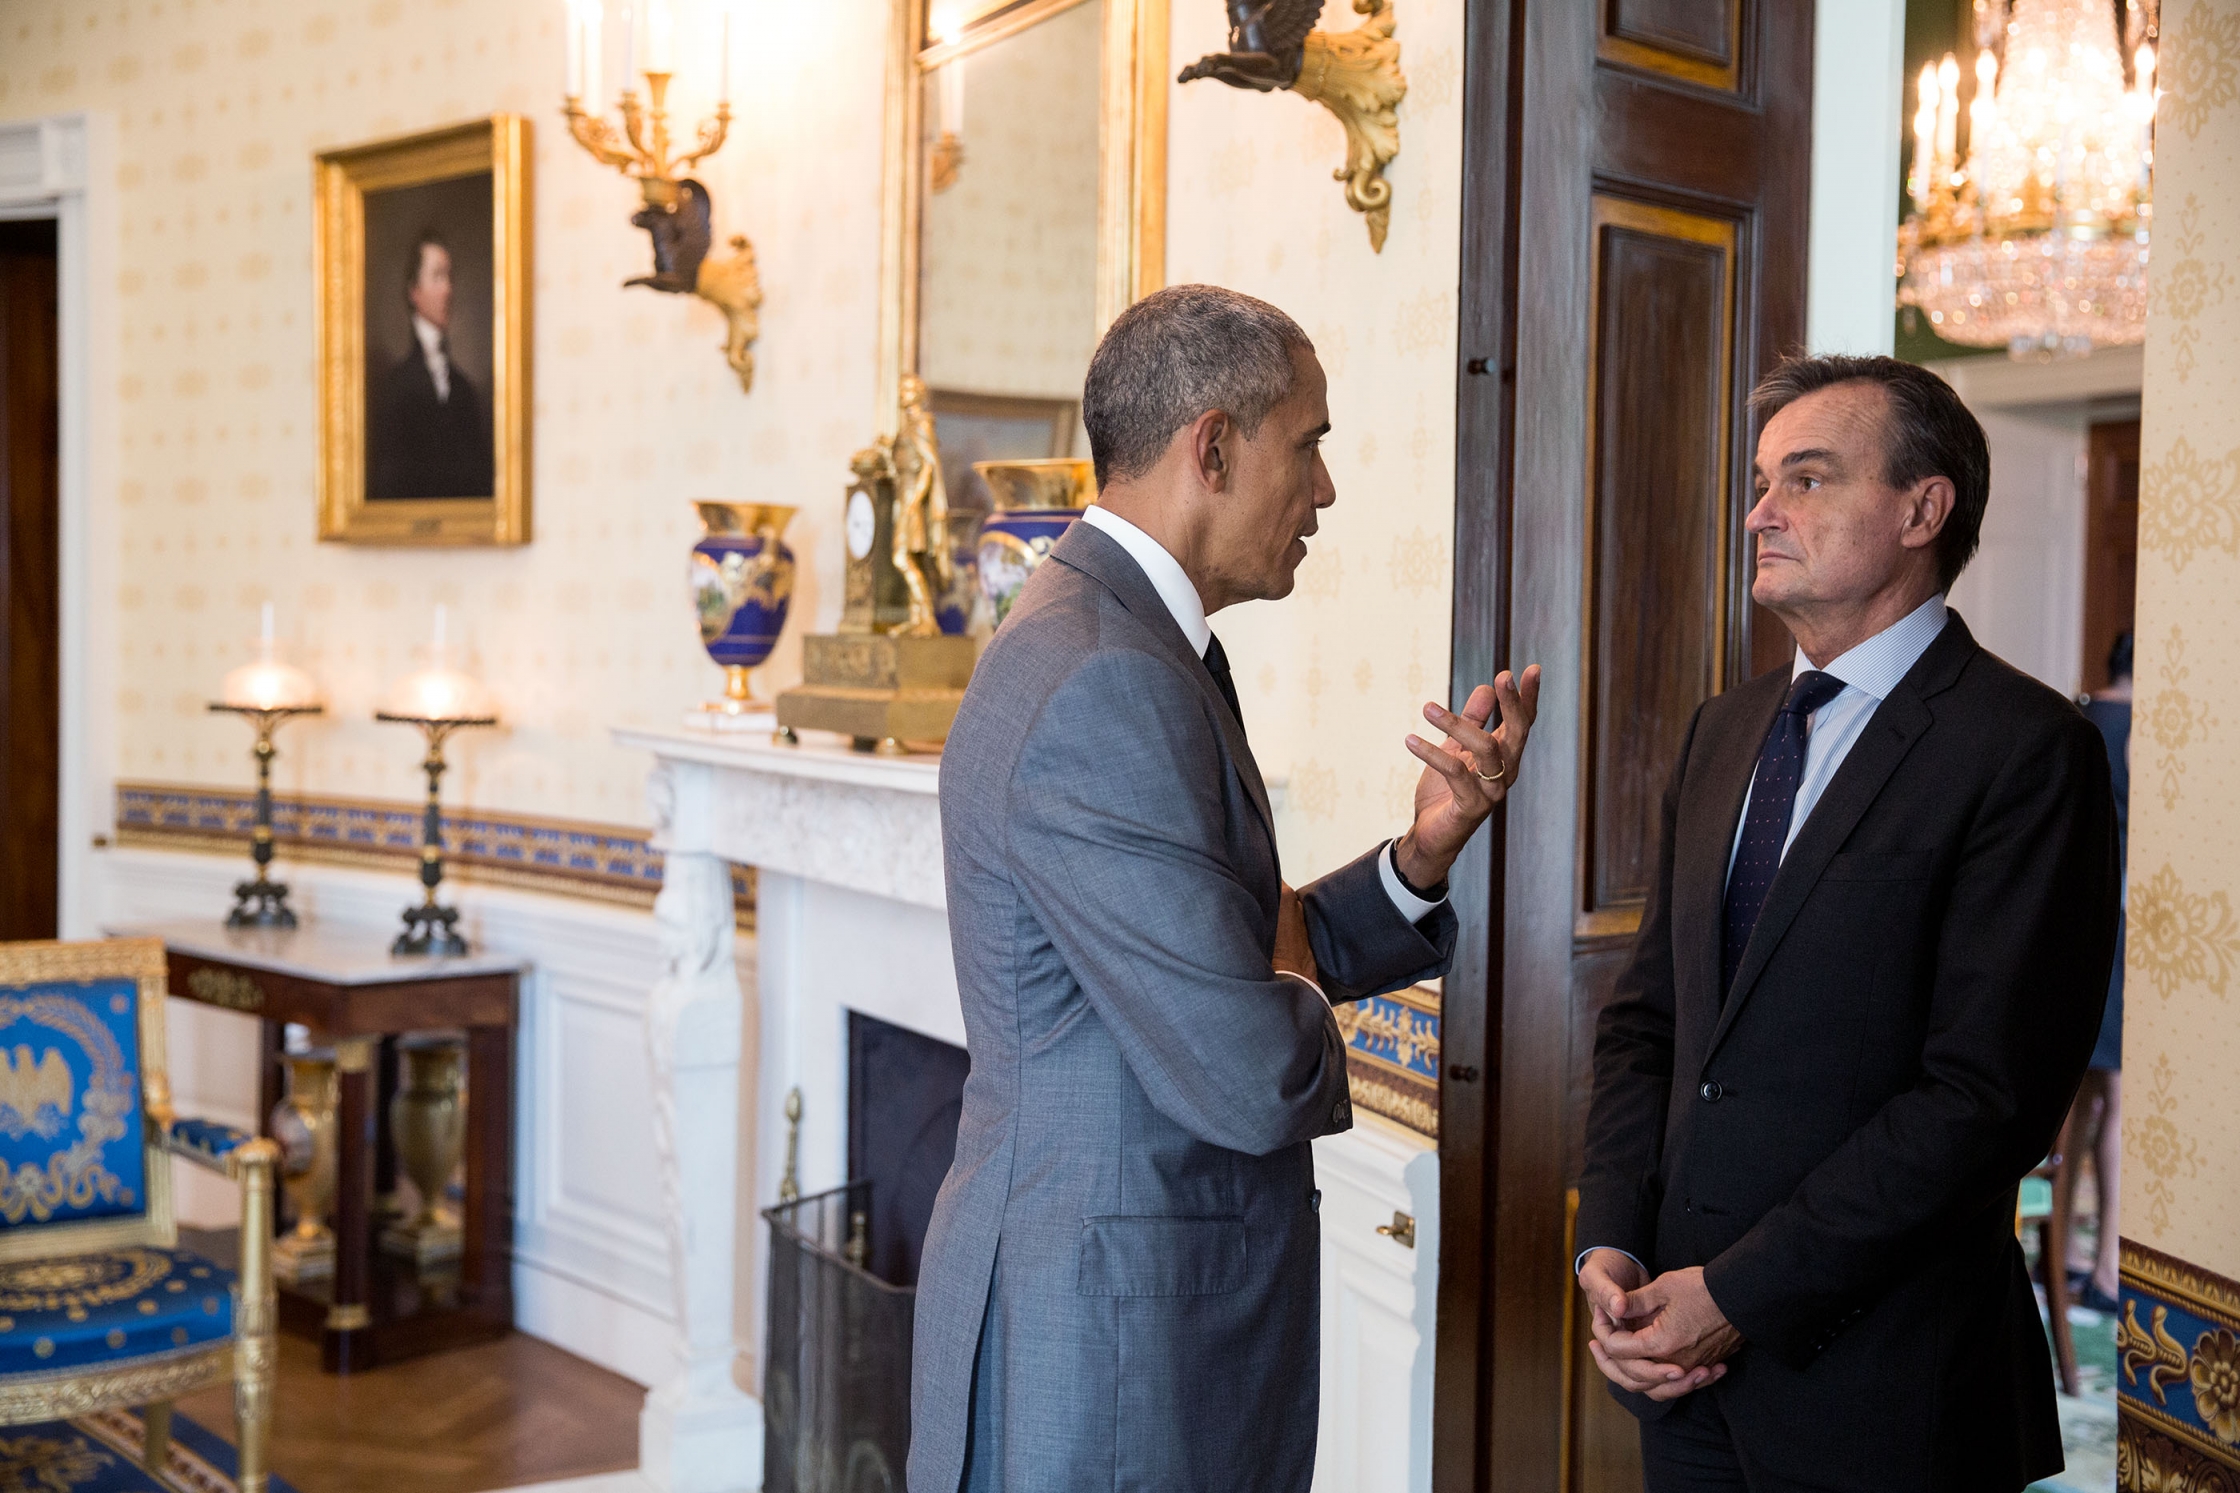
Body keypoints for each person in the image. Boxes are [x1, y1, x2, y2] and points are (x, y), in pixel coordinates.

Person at [908, 284, 1541, 1493]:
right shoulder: (1104, 674)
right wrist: (1277, 980)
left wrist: (1421, 860)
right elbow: (1250, 1071)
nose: (1324, 489)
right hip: (1111, 1342)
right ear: (1212, 445)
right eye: (1307, 444)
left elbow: (1227, 945)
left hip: (1111, 1300)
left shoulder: (1128, 640)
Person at [1573, 354, 2120, 1491]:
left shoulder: (2023, 750)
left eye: (1807, 480)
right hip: (1678, 1372)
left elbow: (1981, 1098)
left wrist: (1738, 1295)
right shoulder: (1721, 731)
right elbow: (1647, 1024)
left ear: (1922, 507)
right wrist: (1612, 1242)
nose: (1759, 512)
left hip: (1887, 1389)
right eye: (1764, 480)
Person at [2062, 628, 2132, 1313]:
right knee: (2122, 1098)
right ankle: (2111, 1261)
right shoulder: (2148, 727)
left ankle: (2069, 1254)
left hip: (2079, 924)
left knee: (2080, 1094)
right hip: (2131, 926)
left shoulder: (2080, 715)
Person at [367, 230, 494, 500]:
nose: (448, 289)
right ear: (415, 291)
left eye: (448, 277)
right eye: (437, 277)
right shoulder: (394, 387)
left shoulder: (464, 390)